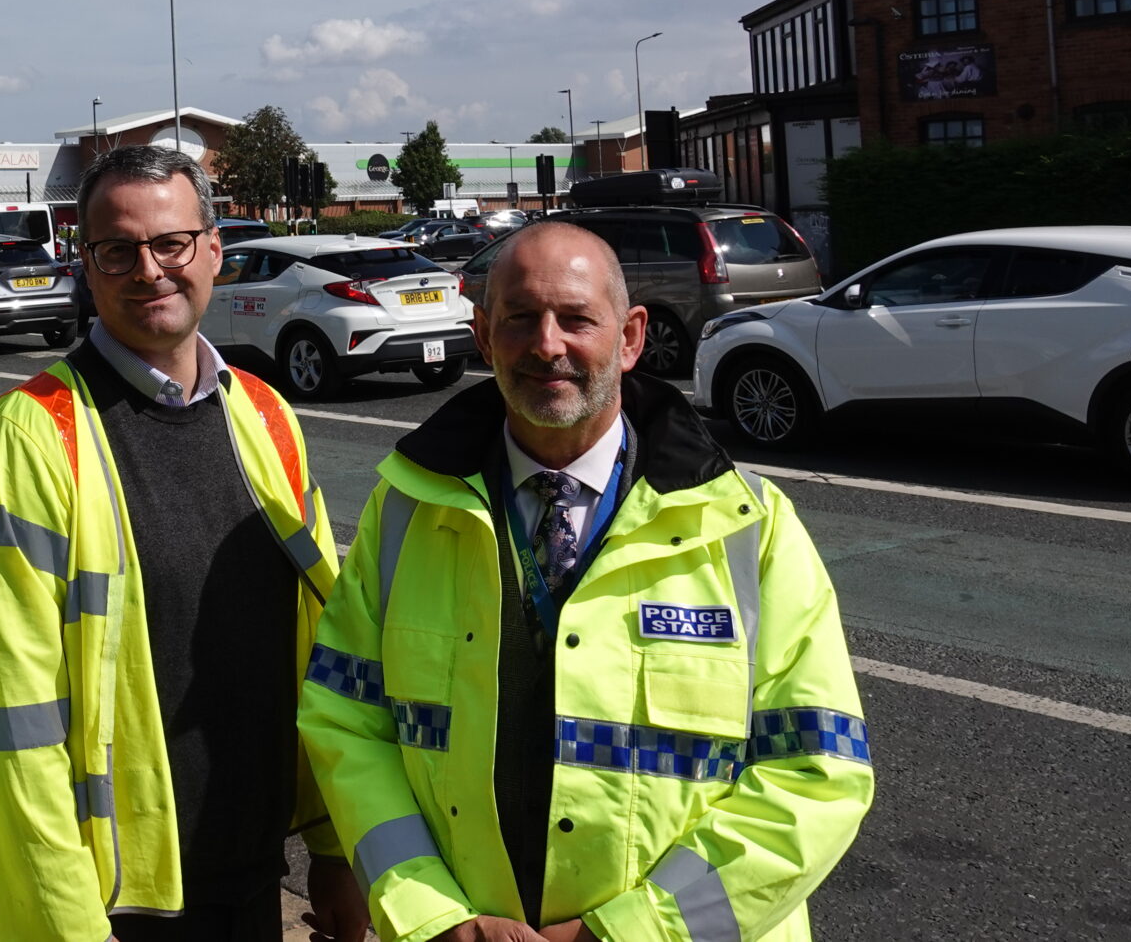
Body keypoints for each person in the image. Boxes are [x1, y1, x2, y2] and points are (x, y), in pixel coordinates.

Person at [299, 222, 873, 942]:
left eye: (576, 318)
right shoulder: (405, 508)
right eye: (520, 319)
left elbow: (818, 771)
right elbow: (347, 723)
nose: (547, 345)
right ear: (483, 335)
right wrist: (434, 917)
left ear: (631, 337)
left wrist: (622, 932)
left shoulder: (749, 526)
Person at [0, 144, 369, 942]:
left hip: (252, 878)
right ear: (87, 265)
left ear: (213, 250)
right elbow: (12, 720)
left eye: (170, 242)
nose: (148, 269)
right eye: (118, 249)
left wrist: (334, 847)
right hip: (118, 906)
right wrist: (64, 926)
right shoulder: (34, 433)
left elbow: (325, 651)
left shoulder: (266, 413)